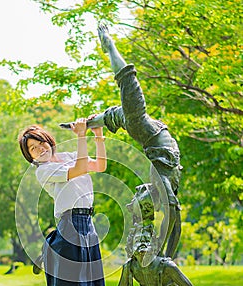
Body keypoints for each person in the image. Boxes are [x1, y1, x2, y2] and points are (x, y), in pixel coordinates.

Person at [60, 25, 182, 259]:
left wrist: (166, 255)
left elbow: (172, 215)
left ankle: (110, 47)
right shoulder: (161, 185)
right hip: (153, 135)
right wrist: (168, 255)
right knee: (126, 86)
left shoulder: (158, 181)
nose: (138, 195)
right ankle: (110, 47)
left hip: (152, 135)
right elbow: (173, 216)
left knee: (125, 90)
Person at [0, 118, 107, 286]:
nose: (39, 150)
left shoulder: (67, 157)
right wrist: (80, 136)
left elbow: (101, 166)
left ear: (49, 141)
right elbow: (79, 169)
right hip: (71, 225)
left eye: (40, 144)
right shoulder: (44, 171)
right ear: (30, 157)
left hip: (88, 224)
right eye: (33, 149)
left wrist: (97, 136)